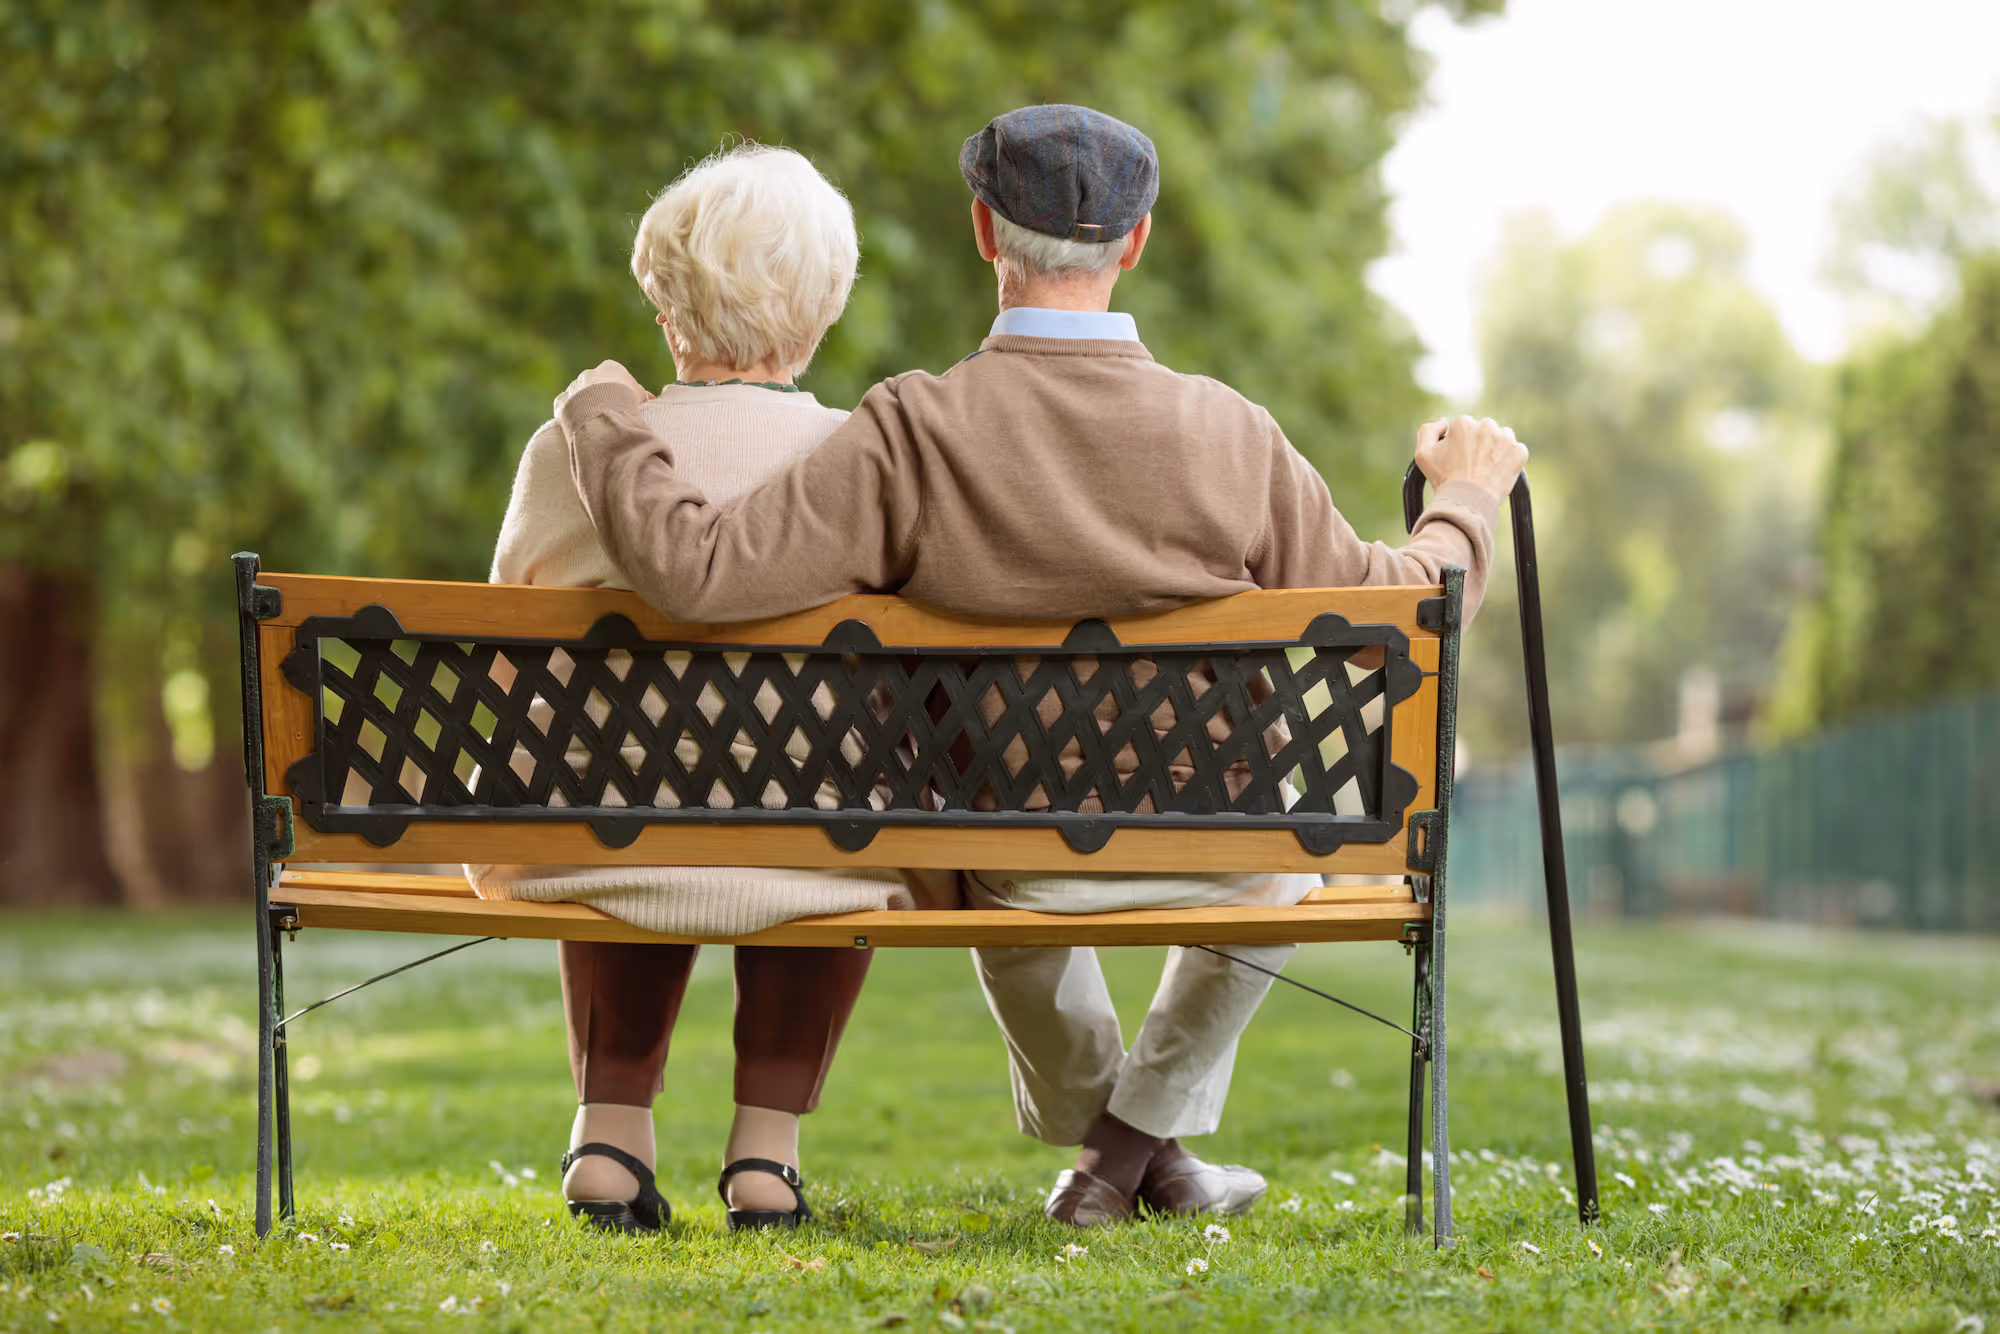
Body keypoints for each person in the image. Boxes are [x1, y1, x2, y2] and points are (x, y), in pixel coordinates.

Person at [550, 104, 1528, 1227]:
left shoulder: (911, 427)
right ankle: (1129, 1155)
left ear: (981, 231)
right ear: (1136, 241)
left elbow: (704, 574)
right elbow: (1414, 609)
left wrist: (609, 419)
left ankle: (1118, 1157)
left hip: (1011, 862)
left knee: (998, 847)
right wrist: (1464, 496)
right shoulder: (1229, 433)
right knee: (1288, 853)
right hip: (1222, 848)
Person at [468, 143, 951, 1235]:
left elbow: (503, 646)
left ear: (664, 298)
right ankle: (765, 1157)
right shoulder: (859, 455)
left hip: (598, 837)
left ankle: (608, 1134)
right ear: (824, 305)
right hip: (812, 848)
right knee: (819, 797)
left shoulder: (575, 449)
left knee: (614, 779)